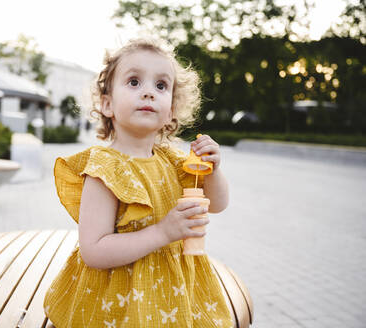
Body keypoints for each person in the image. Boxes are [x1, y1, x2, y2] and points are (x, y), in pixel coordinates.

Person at [43, 38, 234, 327]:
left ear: (171, 110)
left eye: (161, 86)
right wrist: (163, 232)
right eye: (134, 82)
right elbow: (93, 251)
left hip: (174, 292)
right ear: (107, 104)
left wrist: (214, 171)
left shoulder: (173, 161)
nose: (148, 93)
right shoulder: (105, 169)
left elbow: (217, 205)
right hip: (118, 301)